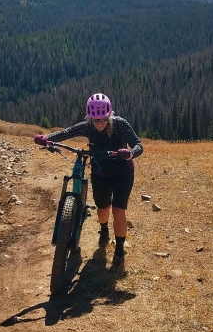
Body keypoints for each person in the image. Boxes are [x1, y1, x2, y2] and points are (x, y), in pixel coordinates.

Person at [34, 93, 143, 268]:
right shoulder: (87, 126)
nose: (99, 123)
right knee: (102, 208)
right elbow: (67, 133)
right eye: (94, 120)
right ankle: (104, 229)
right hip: (100, 172)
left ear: (109, 115)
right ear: (89, 118)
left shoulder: (120, 124)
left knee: (118, 210)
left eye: (102, 119)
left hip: (123, 172)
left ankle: (120, 250)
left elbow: (138, 144)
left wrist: (130, 154)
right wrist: (46, 138)